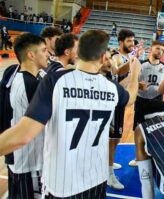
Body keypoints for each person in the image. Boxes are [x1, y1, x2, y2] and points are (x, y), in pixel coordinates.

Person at [0, 29, 141, 198]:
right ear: (103, 58)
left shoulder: (54, 81)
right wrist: (134, 73)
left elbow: (23, 135)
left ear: (78, 53)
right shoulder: (111, 87)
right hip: (96, 178)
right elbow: (131, 97)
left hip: (62, 182)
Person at [0, 33, 49, 199]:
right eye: (43, 50)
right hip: (30, 163)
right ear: (31, 55)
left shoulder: (14, 73)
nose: (47, 54)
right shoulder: (31, 84)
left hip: (17, 158)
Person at [107, 29, 136, 190]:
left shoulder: (128, 57)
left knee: (116, 137)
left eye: (133, 41)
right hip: (112, 102)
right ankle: (109, 174)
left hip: (120, 102)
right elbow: (117, 76)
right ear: (121, 42)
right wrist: (132, 67)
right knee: (111, 138)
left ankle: (109, 163)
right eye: (129, 41)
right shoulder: (115, 57)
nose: (132, 44)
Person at [134, 40, 164, 128]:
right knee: (139, 128)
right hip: (141, 100)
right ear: (150, 49)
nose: (160, 51)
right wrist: (138, 85)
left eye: (162, 50)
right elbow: (131, 82)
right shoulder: (141, 64)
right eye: (157, 48)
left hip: (157, 99)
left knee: (155, 128)